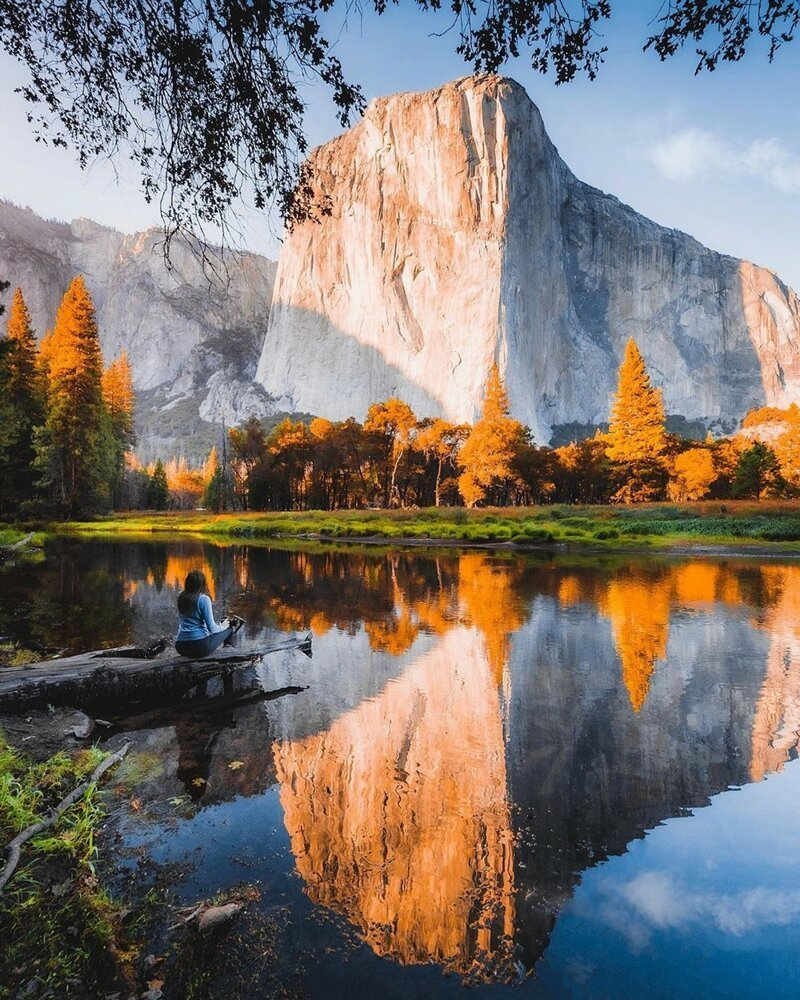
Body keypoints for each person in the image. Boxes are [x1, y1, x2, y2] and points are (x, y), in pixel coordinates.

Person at [175, 569, 242, 658]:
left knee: (216, 632)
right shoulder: (203, 599)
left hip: (180, 646)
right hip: (199, 647)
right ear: (202, 584)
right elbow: (212, 629)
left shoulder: (181, 597)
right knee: (229, 630)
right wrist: (223, 626)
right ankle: (229, 657)